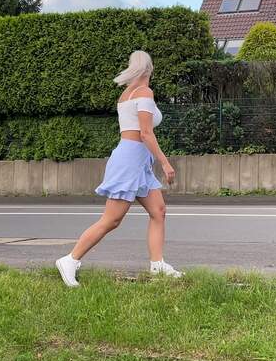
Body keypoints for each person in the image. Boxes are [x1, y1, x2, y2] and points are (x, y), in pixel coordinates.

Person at [55, 50, 181, 287]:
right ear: (150, 69)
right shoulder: (144, 92)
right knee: (111, 220)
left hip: (138, 161)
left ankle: (158, 265)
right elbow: (145, 133)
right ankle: (70, 259)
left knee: (158, 211)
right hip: (130, 160)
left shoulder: (127, 93)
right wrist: (165, 163)